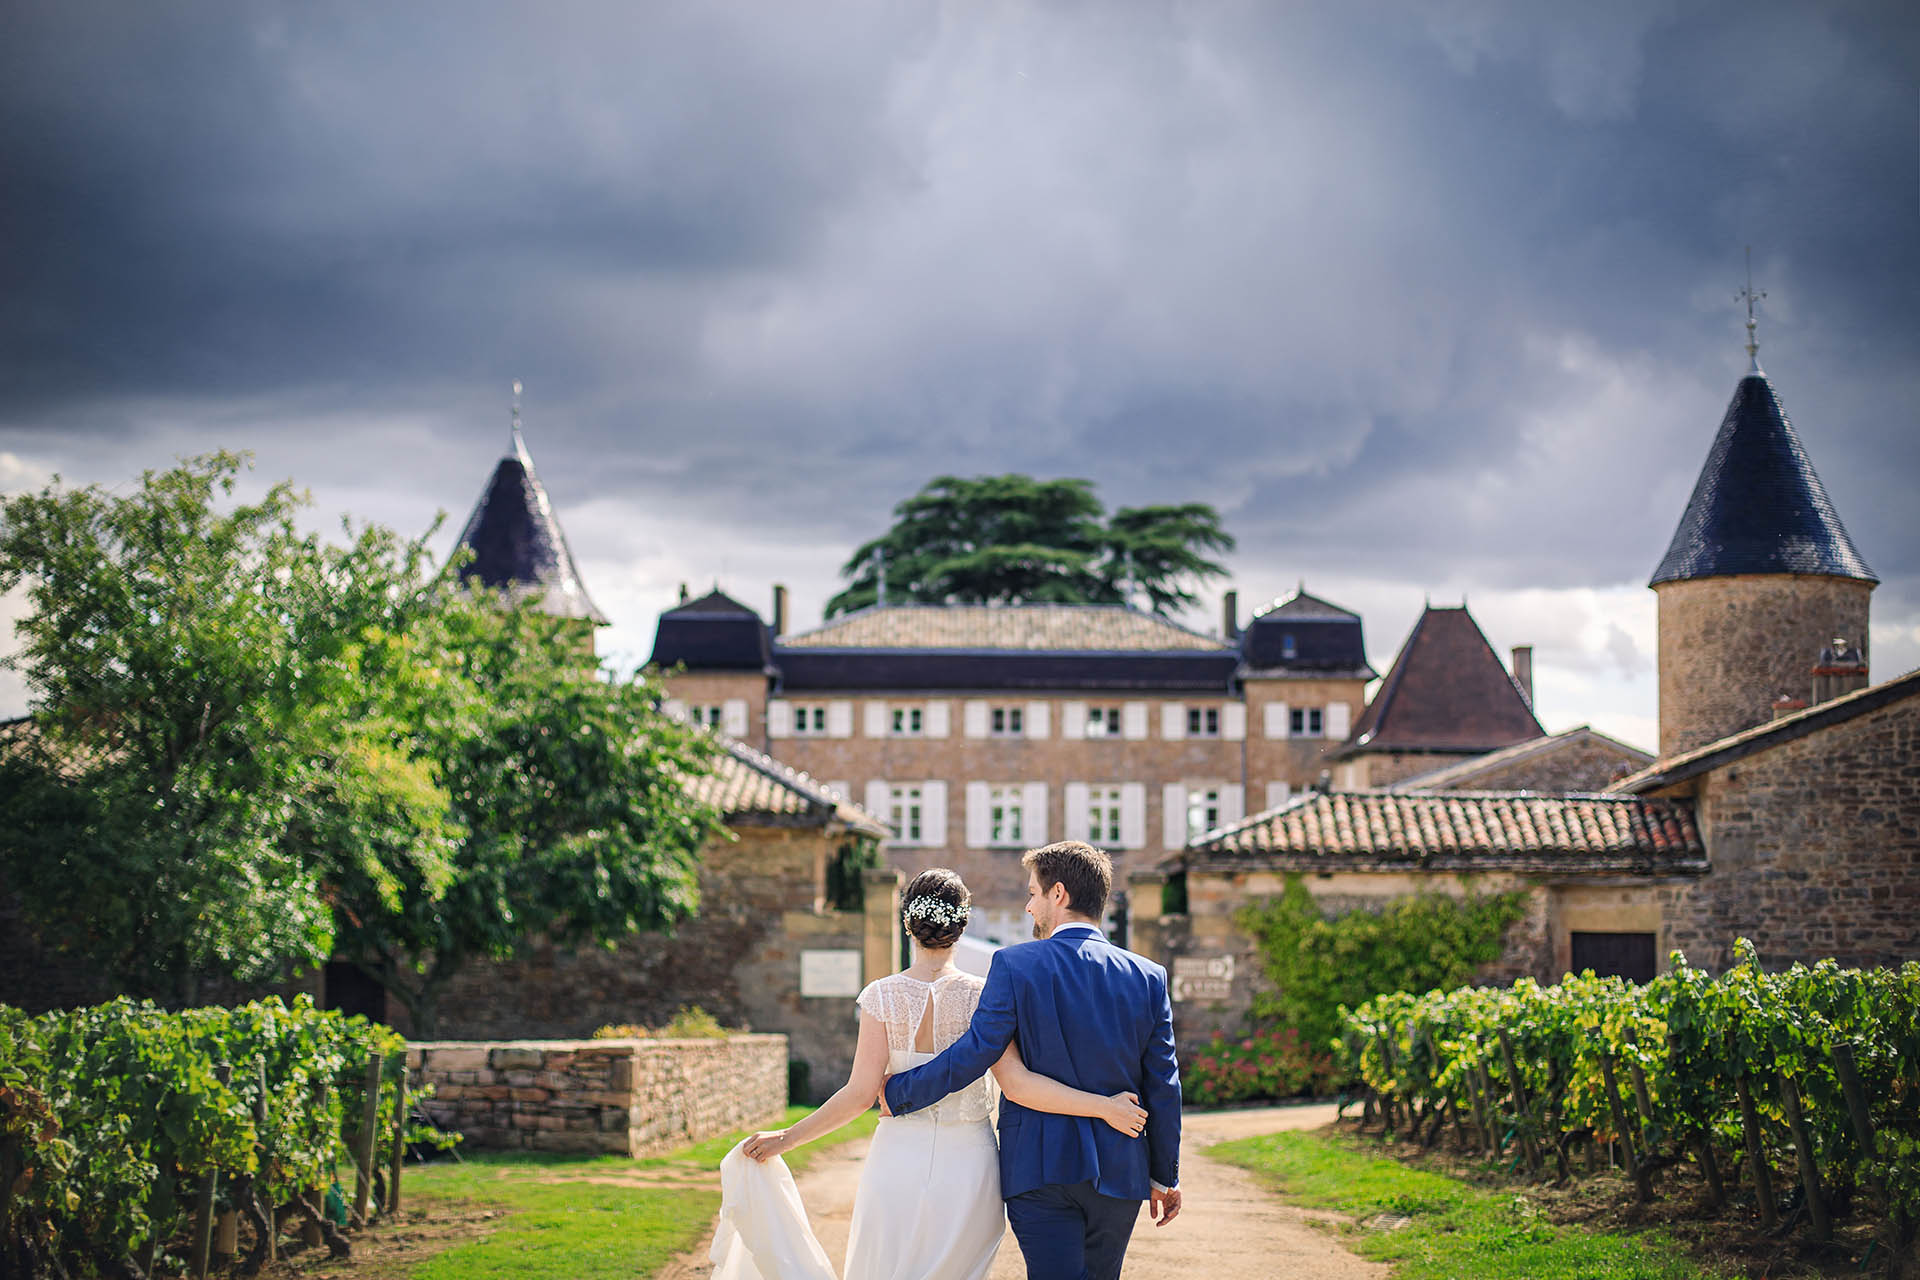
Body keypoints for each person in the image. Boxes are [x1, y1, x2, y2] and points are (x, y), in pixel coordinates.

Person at [727, 867, 1148, 1280]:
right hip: (970, 1167)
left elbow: (859, 1094)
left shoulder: (882, 996)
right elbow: (1017, 1085)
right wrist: (1103, 1107)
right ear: (962, 926)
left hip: (896, 1162)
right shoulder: (986, 994)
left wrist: (787, 1138)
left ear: (908, 924)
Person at [883, 841, 1183, 1280]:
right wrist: (1164, 1175)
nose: (1028, 906)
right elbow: (1164, 1084)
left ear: (1057, 894)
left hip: (1039, 1169)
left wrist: (900, 1091)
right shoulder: (1148, 976)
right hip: (1120, 1170)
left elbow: (977, 1050)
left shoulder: (1014, 966)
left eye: (1032, 894)